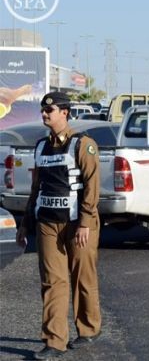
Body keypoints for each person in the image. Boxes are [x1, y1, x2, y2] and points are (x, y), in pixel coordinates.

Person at [16, 92, 102, 360]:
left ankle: (88, 328)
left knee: (82, 277)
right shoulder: (41, 146)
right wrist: (25, 224)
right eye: (43, 110)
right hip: (48, 223)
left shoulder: (83, 145)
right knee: (53, 281)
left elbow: (91, 186)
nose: (45, 114)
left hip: (79, 223)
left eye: (49, 110)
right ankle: (55, 341)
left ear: (64, 112)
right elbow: (35, 188)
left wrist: (86, 222)